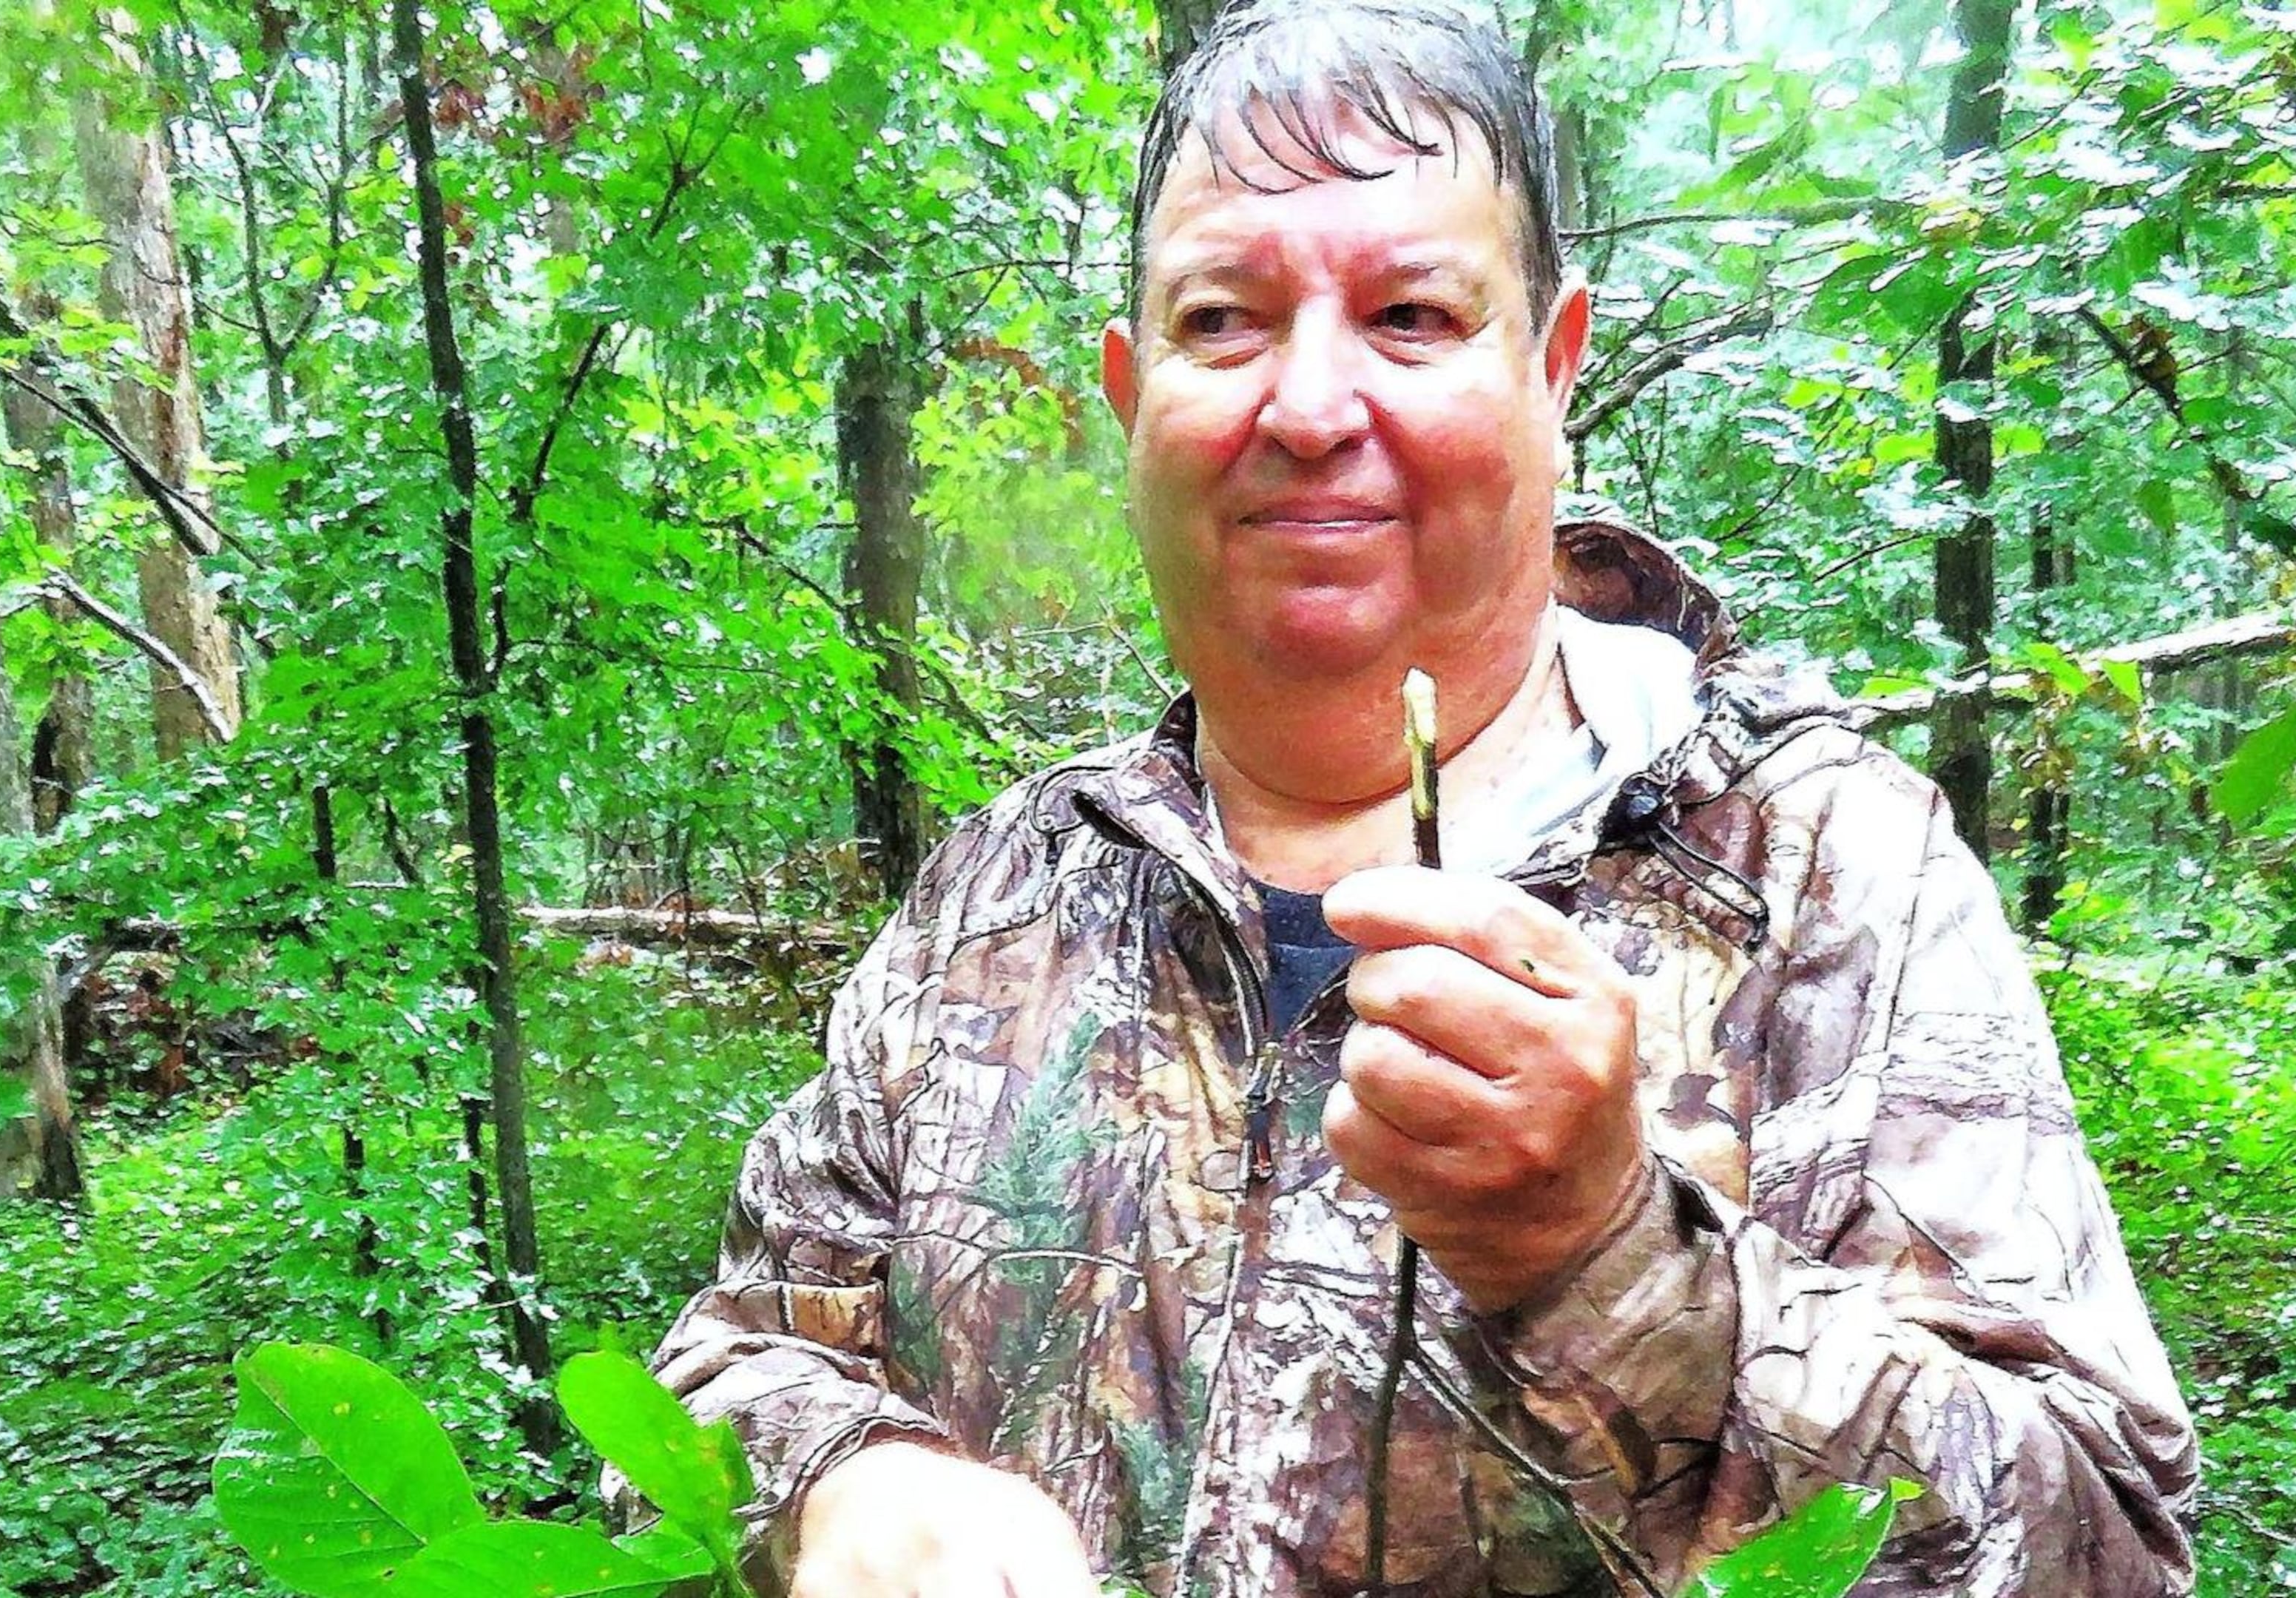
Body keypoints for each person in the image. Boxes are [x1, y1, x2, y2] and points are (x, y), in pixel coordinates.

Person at [633, 4, 2198, 1594]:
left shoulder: (1814, 865)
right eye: (1225, 320)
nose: (1309, 408)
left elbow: (2105, 1544)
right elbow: (722, 1376)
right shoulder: (1005, 892)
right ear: (1132, 394)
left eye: (1411, 315)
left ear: (1551, 362)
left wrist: (1616, 1263)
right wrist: (847, 1487)